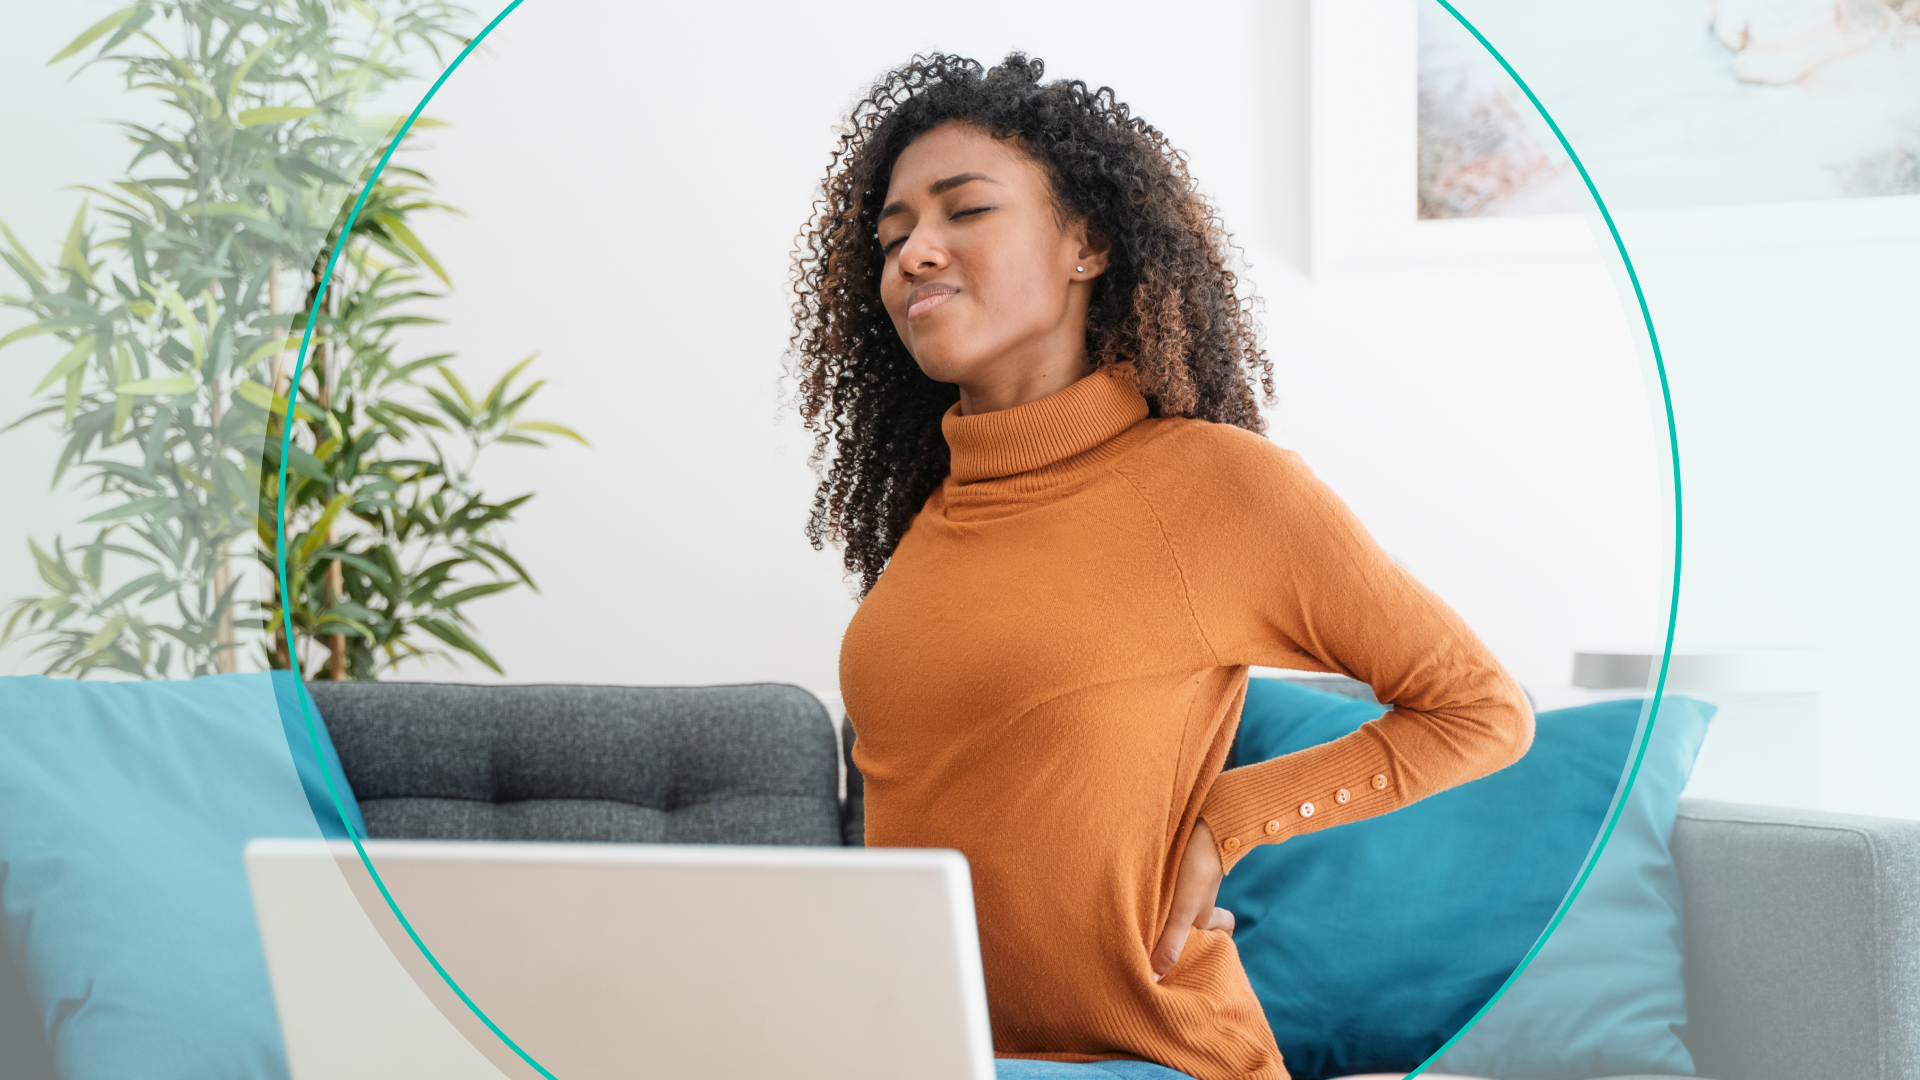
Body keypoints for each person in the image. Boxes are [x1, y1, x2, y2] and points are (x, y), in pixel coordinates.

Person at [787, 53, 1535, 1080]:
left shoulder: (1217, 489)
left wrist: (1234, 818)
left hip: (1150, 1059)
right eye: (893, 234)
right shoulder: (933, 514)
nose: (915, 250)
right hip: (934, 1056)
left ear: (1087, 242)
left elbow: (1481, 710)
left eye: (964, 211)